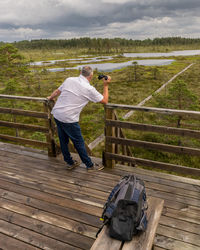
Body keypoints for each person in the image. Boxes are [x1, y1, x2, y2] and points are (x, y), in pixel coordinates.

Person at [47, 66, 111, 172]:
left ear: (81, 72)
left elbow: (57, 91)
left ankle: (70, 162)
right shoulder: (89, 88)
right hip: (69, 118)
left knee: (63, 140)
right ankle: (89, 165)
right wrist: (105, 85)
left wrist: (50, 97)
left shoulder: (69, 79)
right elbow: (105, 101)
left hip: (57, 114)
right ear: (91, 76)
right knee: (79, 142)